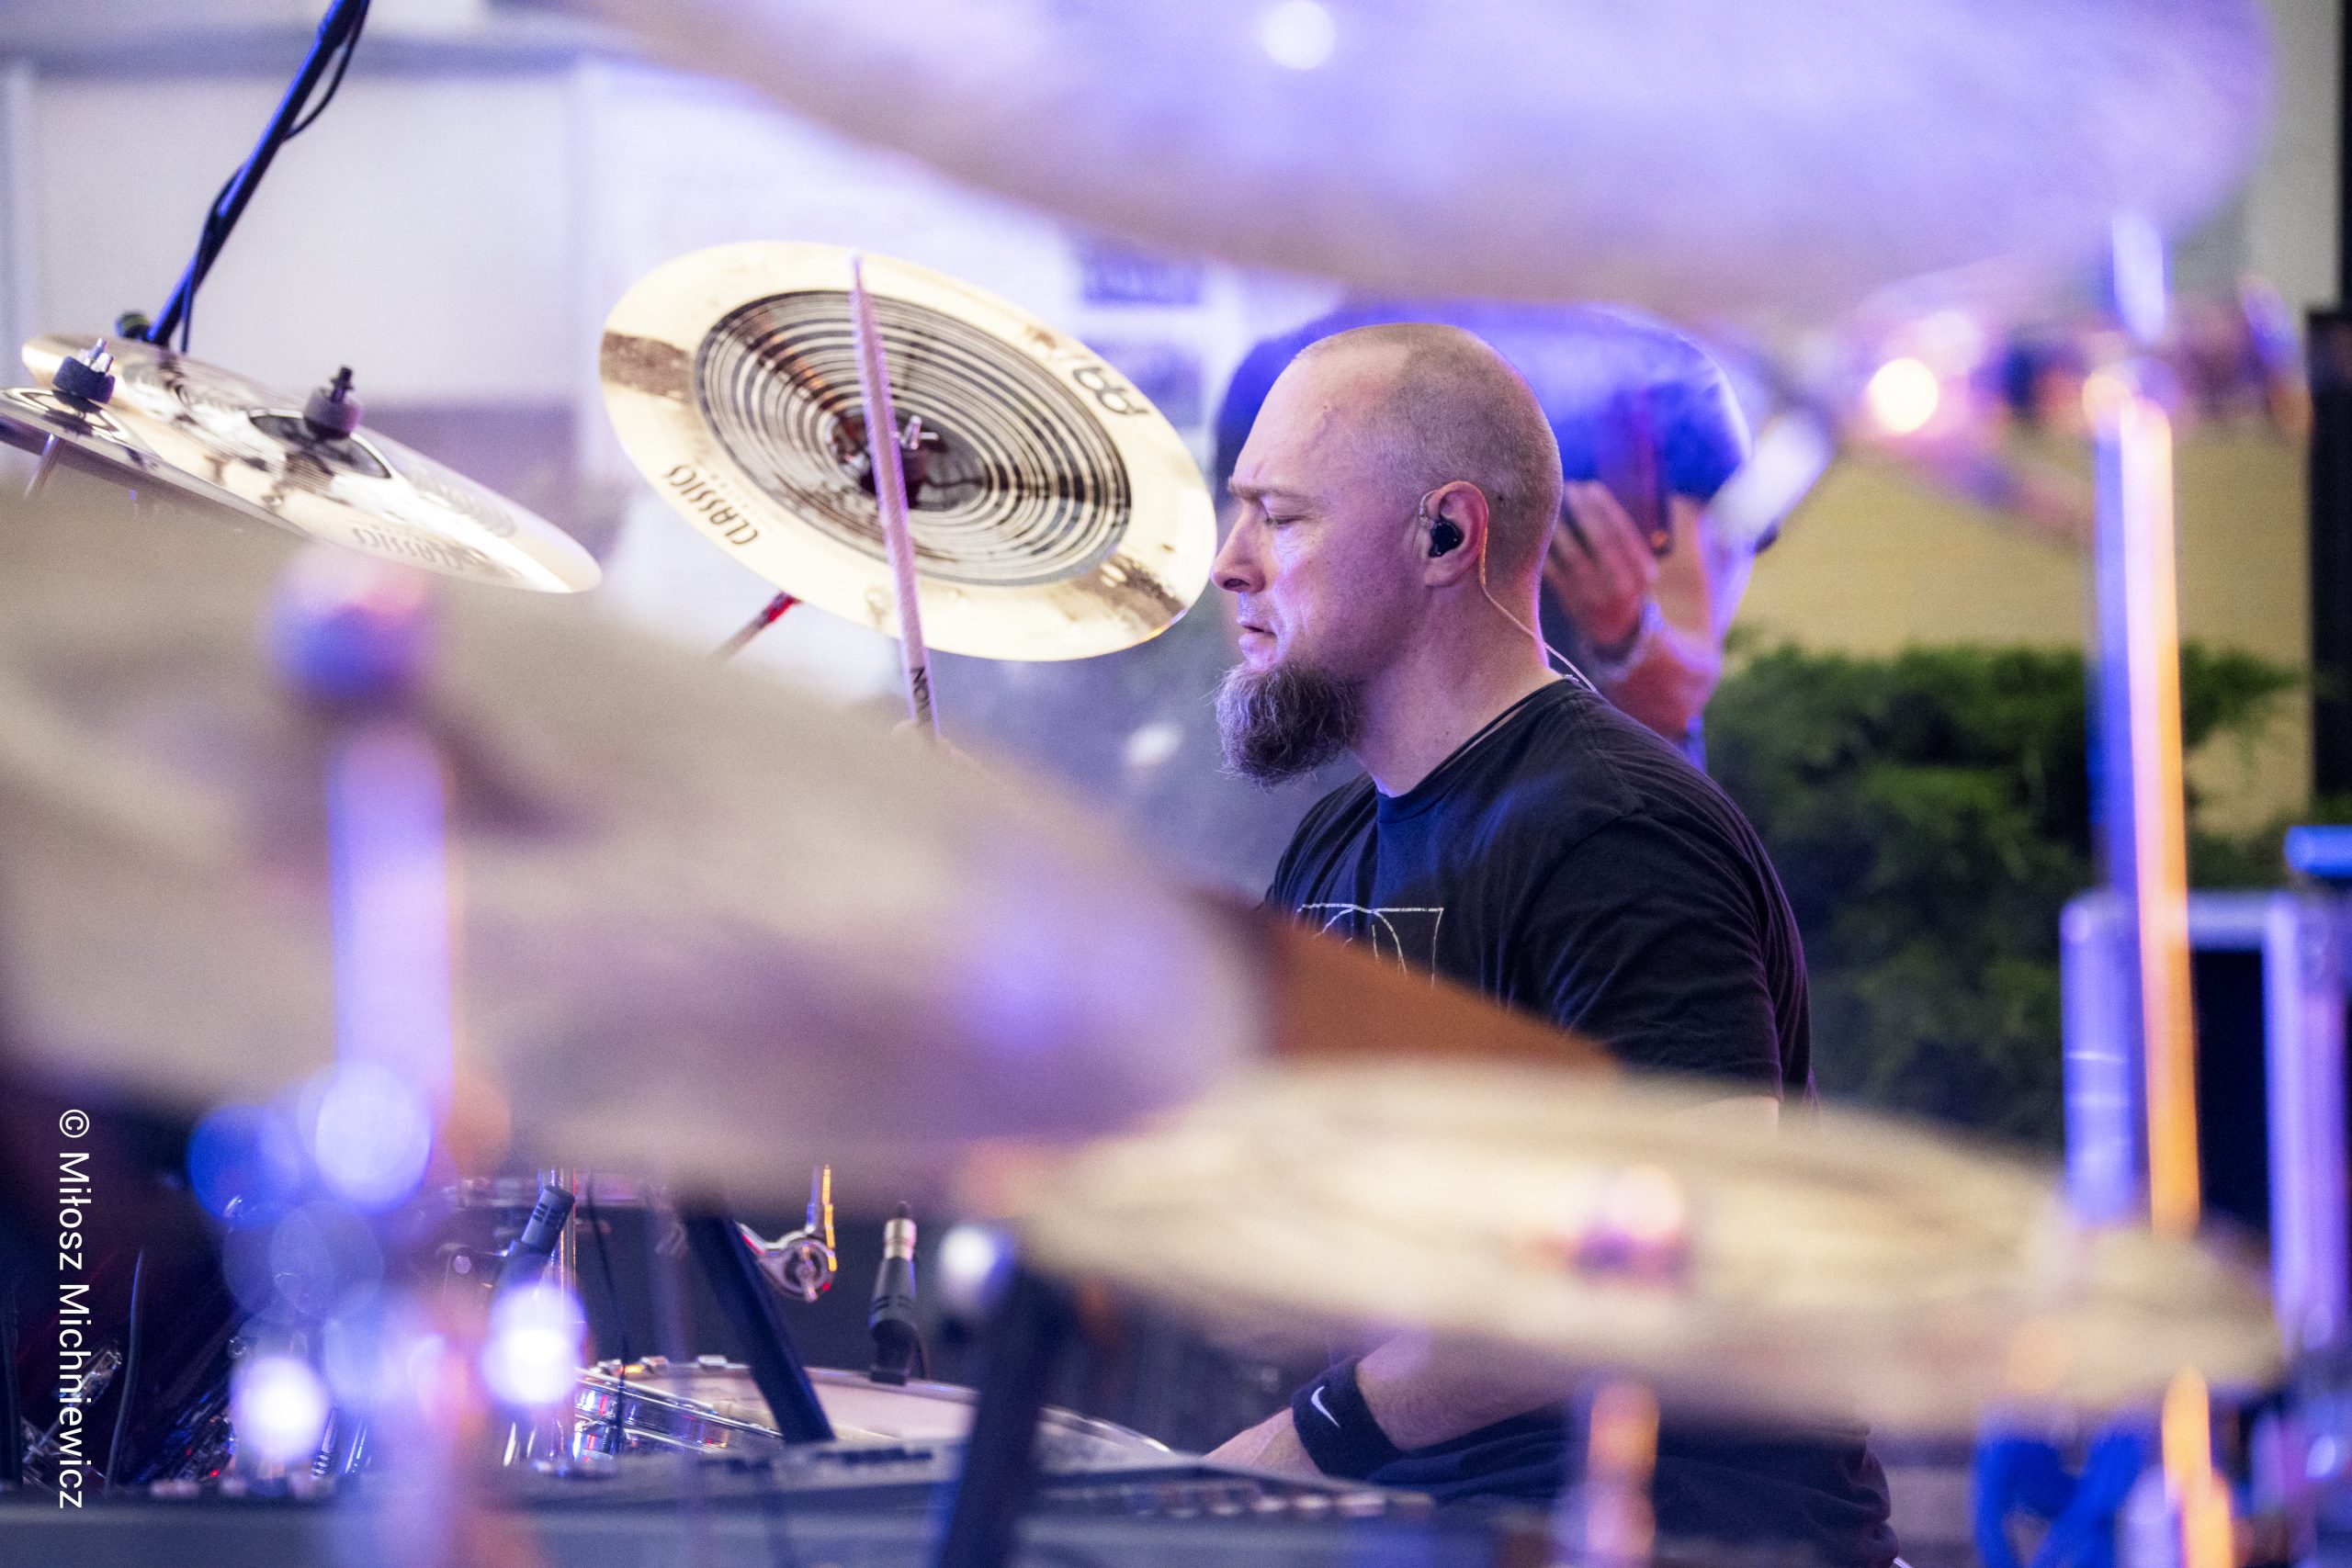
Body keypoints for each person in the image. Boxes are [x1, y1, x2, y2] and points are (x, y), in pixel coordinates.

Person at [1201, 320, 1897, 1568]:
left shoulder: (1611, 832)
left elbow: (1678, 1249)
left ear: (1445, 536)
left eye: (1280, 517)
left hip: (1678, 1534)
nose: (1229, 565)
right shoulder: (1334, 848)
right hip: (1429, 1526)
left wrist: (1312, 1436)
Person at [1213, 301, 1759, 764]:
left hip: (1590, 806)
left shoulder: (1660, 386)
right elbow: (1257, 636)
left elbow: (1676, 700)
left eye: (1281, 517)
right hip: (1354, 808)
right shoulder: (1285, 373)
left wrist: (1625, 630)